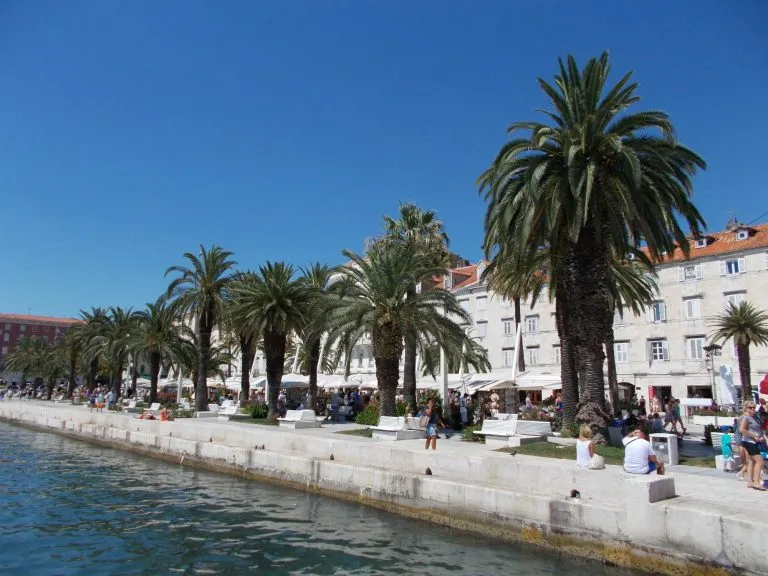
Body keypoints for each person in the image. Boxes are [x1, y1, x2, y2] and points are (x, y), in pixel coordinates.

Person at [739, 402, 766, 491]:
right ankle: (756, 482)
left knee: (751, 461)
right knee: (760, 462)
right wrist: (754, 436)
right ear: (746, 408)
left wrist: (759, 437)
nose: (752, 409)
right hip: (749, 442)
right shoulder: (746, 417)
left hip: (752, 441)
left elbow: (755, 430)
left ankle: (750, 481)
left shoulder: (752, 417)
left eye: (754, 407)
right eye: (750, 407)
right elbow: (742, 430)